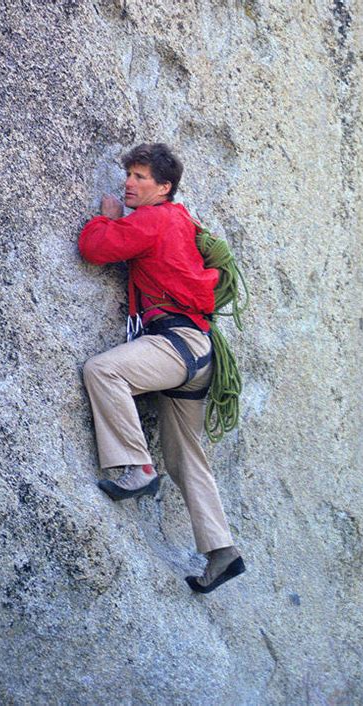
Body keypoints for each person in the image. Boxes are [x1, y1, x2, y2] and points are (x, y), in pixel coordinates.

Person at [79, 143, 245, 593]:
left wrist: (109, 218)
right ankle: (221, 551)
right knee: (187, 455)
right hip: (199, 352)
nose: (129, 184)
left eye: (140, 177)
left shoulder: (154, 219)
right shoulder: (184, 221)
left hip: (174, 345)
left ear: (164, 187)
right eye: (128, 175)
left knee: (103, 371)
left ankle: (138, 468)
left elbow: (95, 248)